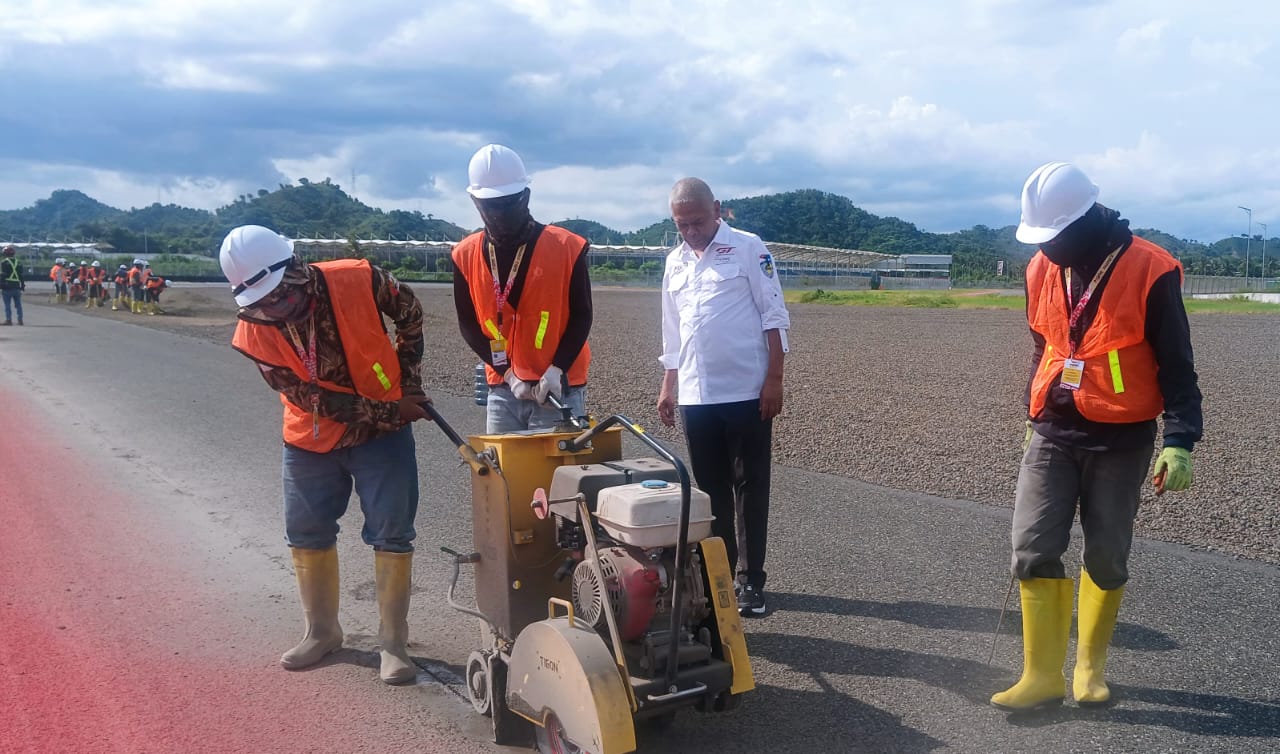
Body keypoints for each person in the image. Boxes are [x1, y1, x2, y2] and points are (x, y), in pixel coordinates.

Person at [990, 162, 1203, 711]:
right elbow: (1046, 346)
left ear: (1085, 221)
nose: (1048, 247)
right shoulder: (1041, 268)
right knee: (1032, 547)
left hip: (1121, 436)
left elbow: (1177, 364)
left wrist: (1179, 439)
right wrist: (1029, 414)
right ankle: (1040, 676)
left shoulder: (1149, 269)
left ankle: (1089, 669)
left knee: (1106, 555)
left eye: (1055, 235)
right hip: (1053, 432)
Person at [219, 224, 431, 685]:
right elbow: (308, 397)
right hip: (310, 439)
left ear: (295, 269)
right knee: (306, 530)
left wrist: (408, 379)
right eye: (262, 303)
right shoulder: (254, 330)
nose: (274, 309)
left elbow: (410, 312)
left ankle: (393, 642)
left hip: (382, 438)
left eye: (279, 296)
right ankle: (322, 632)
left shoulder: (357, 277)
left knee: (391, 532)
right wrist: (392, 408)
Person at [657, 178, 790, 617]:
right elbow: (672, 333)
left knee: (750, 488)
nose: (691, 231)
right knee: (710, 493)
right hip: (698, 395)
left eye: (697, 221)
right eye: (682, 225)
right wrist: (668, 387)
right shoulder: (675, 262)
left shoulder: (750, 248)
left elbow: (774, 316)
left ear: (718, 209)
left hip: (748, 391)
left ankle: (752, 580)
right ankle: (720, 576)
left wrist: (774, 379)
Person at [451, 144, 593, 433]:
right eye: (490, 206)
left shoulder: (567, 247)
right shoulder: (464, 255)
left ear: (526, 197)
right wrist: (507, 374)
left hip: (556, 390)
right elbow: (468, 323)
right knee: (502, 476)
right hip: (504, 391)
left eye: (508, 204)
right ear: (475, 202)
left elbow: (582, 316)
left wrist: (557, 369)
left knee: (558, 478)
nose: (499, 215)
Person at [1, 246, 25, 325]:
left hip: (7, 286)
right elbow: (21, 275)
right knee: (18, 304)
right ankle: (20, 320)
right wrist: (22, 285)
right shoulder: (19, 262)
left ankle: (9, 320)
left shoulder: (4, 262)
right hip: (17, 286)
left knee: (7, 304)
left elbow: (3, 275)